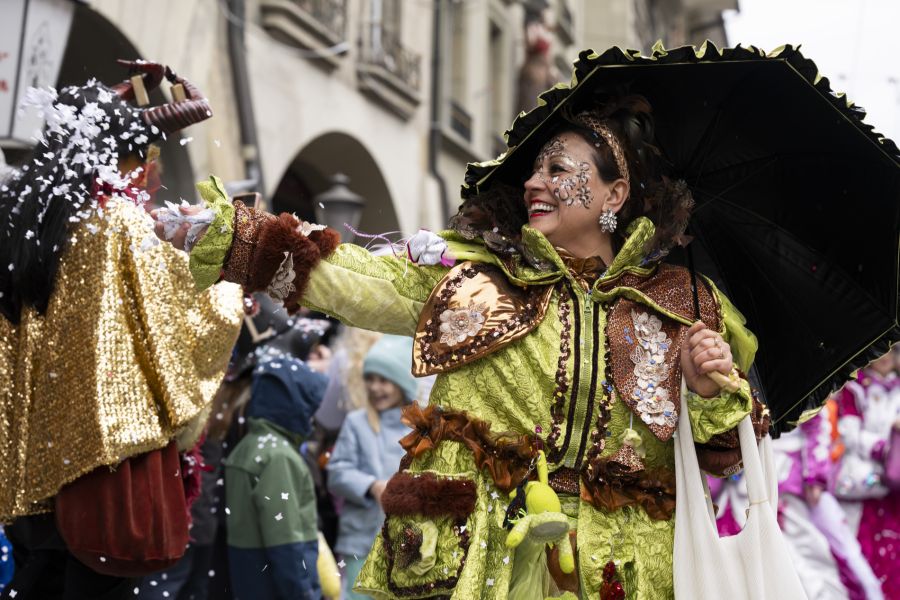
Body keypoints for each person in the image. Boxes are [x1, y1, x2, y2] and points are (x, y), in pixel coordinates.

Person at [156, 84, 769, 597]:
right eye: (534, 169)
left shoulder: (679, 305)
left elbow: (723, 451)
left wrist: (708, 384)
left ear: (614, 195)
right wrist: (236, 237)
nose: (535, 183)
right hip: (482, 562)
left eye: (559, 169)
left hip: (620, 570)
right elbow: (357, 281)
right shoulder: (479, 278)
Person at [0, 63, 243, 600]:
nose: (152, 173)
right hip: (96, 467)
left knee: (35, 583)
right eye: (146, 156)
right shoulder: (117, 223)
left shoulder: (29, 219)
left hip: (28, 471)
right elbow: (177, 324)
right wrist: (227, 277)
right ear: (120, 155)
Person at [326, 334, 417, 599]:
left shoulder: (417, 429)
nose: (375, 387)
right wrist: (370, 486)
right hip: (361, 539)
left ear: (401, 383)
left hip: (405, 540)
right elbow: (337, 471)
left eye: (384, 380)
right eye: (370, 379)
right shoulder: (357, 423)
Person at [833, 351, 900, 597]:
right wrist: (881, 447)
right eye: (882, 350)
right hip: (860, 485)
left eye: (893, 351)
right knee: (859, 562)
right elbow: (848, 433)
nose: (886, 356)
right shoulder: (854, 388)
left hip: (893, 494)